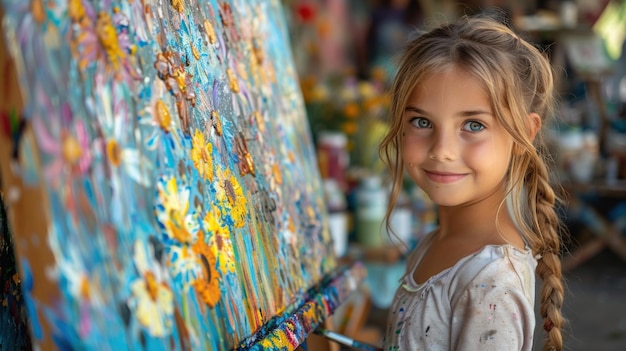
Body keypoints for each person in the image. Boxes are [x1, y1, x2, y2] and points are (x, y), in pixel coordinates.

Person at [379, 15, 566, 350]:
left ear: (524, 133)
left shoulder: (492, 284)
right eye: (422, 121)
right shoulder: (435, 243)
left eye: (474, 125)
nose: (442, 151)